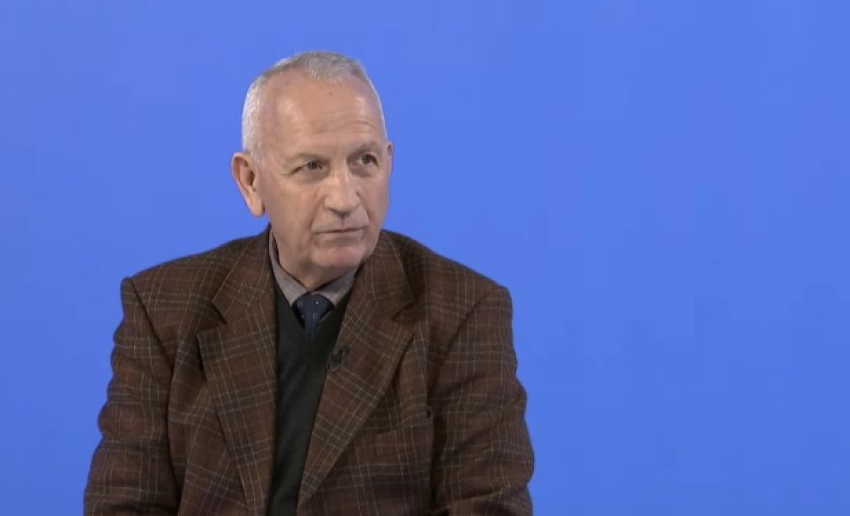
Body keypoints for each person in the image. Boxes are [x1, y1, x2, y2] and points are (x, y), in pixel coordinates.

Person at [84, 50, 534, 516]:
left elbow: (488, 506)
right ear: (251, 182)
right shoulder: (163, 310)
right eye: (312, 167)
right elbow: (123, 505)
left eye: (364, 161)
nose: (344, 198)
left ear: (389, 163)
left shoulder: (463, 312)